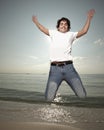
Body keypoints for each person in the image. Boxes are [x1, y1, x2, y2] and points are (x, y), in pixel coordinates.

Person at [32, 9, 95, 102]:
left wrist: (89, 18)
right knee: (49, 99)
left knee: (82, 96)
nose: (63, 25)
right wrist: (36, 22)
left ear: (68, 27)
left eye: (66, 24)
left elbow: (84, 31)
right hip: (55, 70)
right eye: (61, 24)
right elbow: (42, 29)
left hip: (69, 69)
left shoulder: (71, 34)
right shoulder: (53, 33)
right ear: (58, 27)